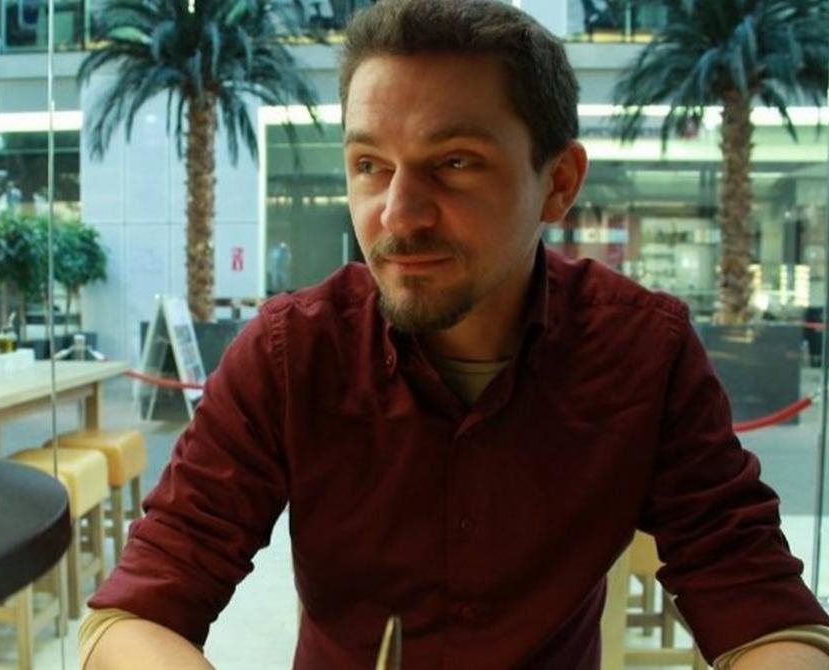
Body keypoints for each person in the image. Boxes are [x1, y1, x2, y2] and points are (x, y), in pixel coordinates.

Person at [81, 1, 829, 668]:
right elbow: (132, 618)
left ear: (559, 183)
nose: (398, 214)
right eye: (370, 165)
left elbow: (760, 605)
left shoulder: (642, 352)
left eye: (456, 163)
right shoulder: (292, 353)